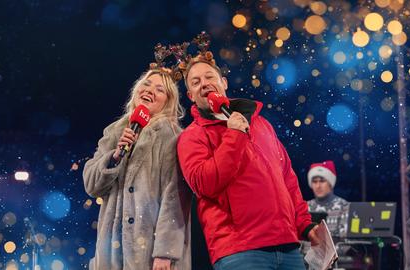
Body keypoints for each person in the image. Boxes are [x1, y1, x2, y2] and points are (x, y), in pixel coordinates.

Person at [175, 32, 319, 270]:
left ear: (224, 83)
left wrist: (304, 224)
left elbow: (287, 179)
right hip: (240, 251)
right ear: (190, 96)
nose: (204, 84)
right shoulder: (192, 137)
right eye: (196, 82)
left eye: (209, 76)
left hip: (288, 246)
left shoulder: (260, 124)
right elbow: (204, 183)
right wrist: (234, 136)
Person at [83, 49, 192, 270]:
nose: (150, 91)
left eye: (159, 89)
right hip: (112, 253)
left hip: (151, 253)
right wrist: (114, 157)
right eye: (146, 85)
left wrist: (165, 253)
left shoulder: (172, 137)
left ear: (168, 102)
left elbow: (176, 196)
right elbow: (91, 185)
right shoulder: (115, 131)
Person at [307, 160, 350, 238]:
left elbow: (345, 243)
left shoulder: (345, 207)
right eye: (314, 181)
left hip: (334, 250)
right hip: (306, 250)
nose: (318, 186)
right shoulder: (304, 207)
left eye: (322, 181)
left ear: (331, 183)